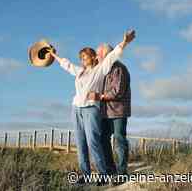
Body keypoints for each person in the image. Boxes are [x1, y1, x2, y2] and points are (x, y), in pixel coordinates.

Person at [49, 30, 135, 184]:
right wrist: (54, 55)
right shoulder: (80, 72)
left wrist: (125, 42)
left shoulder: (100, 70)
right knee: (81, 143)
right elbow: (66, 65)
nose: (82, 60)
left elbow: (113, 55)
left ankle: (104, 173)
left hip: (91, 109)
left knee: (93, 142)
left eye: (85, 57)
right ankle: (85, 174)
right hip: (76, 108)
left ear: (94, 57)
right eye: (81, 58)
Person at [87, 43, 131, 178]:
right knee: (103, 139)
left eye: (99, 55)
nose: (97, 57)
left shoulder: (119, 68)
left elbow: (118, 91)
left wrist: (99, 96)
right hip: (105, 112)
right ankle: (111, 169)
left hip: (118, 112)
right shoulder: (102, 70)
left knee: (119, 139)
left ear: (107, 55)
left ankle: (122, 171)